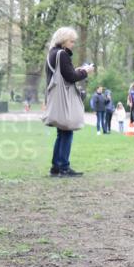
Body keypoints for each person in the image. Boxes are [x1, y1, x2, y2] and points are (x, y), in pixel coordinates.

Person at [45, 27, 92, 176]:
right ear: (64, 40)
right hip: (64, 99)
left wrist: (76, 70)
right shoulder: (62, 54)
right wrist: (85, 71)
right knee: (67, 131)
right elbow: (71, 77)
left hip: (55, 98)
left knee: (61, 133)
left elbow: (65, 74)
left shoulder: (51, 54)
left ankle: (56, 167)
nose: (73, 44)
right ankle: (64, 167)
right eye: (71, 41)